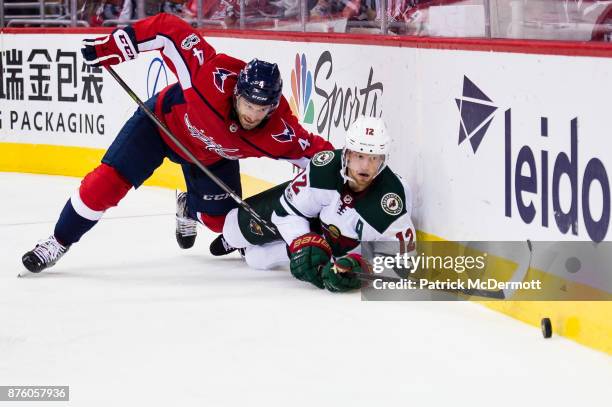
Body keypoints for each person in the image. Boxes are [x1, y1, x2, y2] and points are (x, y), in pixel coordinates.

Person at [21, 12, 332, 274]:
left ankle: (189, 206)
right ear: (237, 92)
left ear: (273, 106)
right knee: (104, 184)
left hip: (210, 156)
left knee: (220, 224)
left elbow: (322, 158)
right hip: (161, 127)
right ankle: (58, 241)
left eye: (261, 109)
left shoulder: (279, 132)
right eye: (248, 104)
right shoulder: (210, 76)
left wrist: (358, 173)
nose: (252, 114)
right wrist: (115, 45)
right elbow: (168, 30)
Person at [211, 116, 416, 292]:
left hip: (340, 248)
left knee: (257, 259)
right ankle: (237, 240)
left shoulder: (391, 200)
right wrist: (304, 241)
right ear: (347, 153)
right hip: (311, 216)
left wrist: (360, 267)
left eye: (373, 158)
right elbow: (286, 211)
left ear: (383, 160)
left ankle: (251, 249)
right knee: (231, 228)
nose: (365, 166)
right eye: (359, 156)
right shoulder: (324, 169)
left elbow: (402, 263)